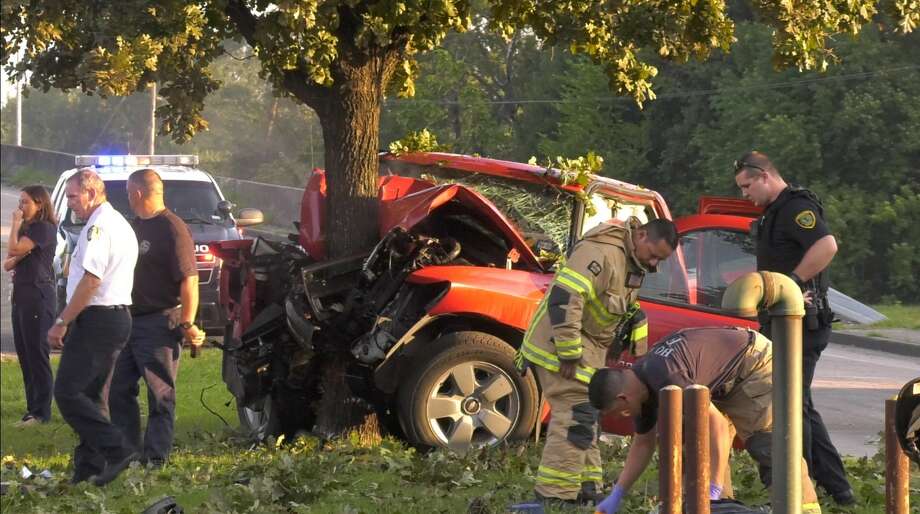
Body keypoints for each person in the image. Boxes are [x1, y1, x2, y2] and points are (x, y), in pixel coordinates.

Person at [516, 217, 677, 506]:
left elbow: (620, 307)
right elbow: (566, 298)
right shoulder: (600, 253)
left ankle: (586, 487)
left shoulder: (630, 261)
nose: (655, 265)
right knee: (576, 415)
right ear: (640, 235)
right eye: (654, 255)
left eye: (660, 260)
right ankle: (554, 495)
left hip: (585, 350)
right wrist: (568, 352)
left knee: (588, 415)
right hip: (559, 348)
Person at [588, 327, 823, 514]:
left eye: (620, 411)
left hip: (754, 364)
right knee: (693, 447)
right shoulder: (642, 387)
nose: (624, 416)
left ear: (623, 397)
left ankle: (803, 510)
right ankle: (719, 507)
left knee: (768, 446)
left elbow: (717, 426)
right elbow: (643, 444)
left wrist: (714, 485)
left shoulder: (668, 376)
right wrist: (617, 494)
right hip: (720, 380)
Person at [733, 151, 854, 505]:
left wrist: (792, 282)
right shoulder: (774, 212)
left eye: (746, 186)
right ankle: (838, 489)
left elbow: (827, 245)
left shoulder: (794, 208)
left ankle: (804, 492)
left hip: (802, 324)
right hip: (785, 323)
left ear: (765, 177)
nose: (744, 195)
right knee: (799, 404)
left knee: (789, 405)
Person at [48, 168, 139, 487]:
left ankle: (116, 450)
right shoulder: (115, 222)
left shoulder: (98, 227)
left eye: (73, 196)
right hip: (111, 317)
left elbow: (90, 281)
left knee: (67, 392)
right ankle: (88, 470)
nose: (70, 203)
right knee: (90, 394)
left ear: (91, 192)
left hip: (98, 318)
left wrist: (62, 321)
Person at [110, 169, 204, 468]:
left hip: (158, 322)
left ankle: (155, 458)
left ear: (138, 192)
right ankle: (127, 453)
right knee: (118, 389)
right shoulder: (136, 225)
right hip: (129, 319)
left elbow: (189, 280)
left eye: (128, 192)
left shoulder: (172, 228)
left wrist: (187, 322)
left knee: (160, 393)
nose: (127, 198)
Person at [4, 185, 58, 426]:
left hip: (38, 293)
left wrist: (15, 224)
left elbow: (14, 249)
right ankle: (31, 408)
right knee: (24, 353)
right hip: (22, 293)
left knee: (37, 352)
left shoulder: (43, 229)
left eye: (25, 202)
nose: (20, 207)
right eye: (20, 202)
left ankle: (42, 412)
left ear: (40, 204)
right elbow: (8, 262)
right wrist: (18, 252)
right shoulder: (29, 230)